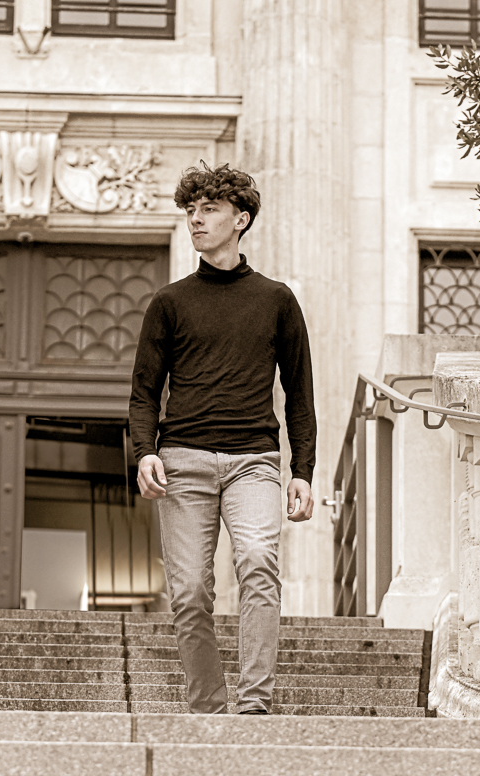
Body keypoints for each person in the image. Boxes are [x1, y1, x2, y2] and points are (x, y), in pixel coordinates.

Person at [129, 163, 316, 716]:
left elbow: (300, 393)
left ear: (242, 219)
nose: (196, 219)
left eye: (208, 210)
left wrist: (301, 470)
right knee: (189, 592)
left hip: (253, 461)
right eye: (191, 211)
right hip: (181, 460)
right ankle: (209, 706)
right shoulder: (168, 302)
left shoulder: (277, 300)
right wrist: (144, 453)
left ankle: (254, 702)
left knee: (259, 559)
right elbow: (144, 392)